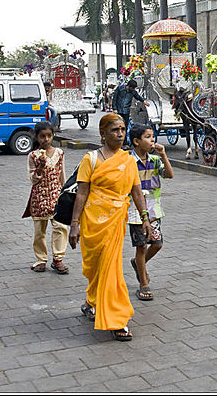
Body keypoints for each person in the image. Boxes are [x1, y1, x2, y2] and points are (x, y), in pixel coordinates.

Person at [68, 113, 152, 341]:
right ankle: (92, 302)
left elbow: (136, 191)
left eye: (123, 129)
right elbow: (82, 192)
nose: (120, 134)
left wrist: (145, 217)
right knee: (95, 268)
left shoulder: (128, 160)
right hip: (92, 221)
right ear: (103, 133)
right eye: (115, 129)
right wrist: (74, 224)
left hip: (116, 221)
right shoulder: (90, 159)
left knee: (111, 269)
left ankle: (117, 319)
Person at [126, 125, 174, 301]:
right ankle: (143, 283)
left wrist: (163, 155)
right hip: (135, 211)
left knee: (157, 244)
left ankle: (139, 264)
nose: (152, 140)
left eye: (153, 136)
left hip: (154, 210)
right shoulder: (128, 162)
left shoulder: (154, 160)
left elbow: (169, 175)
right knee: (141, 246)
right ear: (136, 141)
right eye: (148, 137)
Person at [24, 121, 69, 274]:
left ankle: (58, 258)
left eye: (49, 136)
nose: (46, 139)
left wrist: (64, 192)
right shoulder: (33, 156)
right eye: (42, 136)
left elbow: (62, 175)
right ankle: (41, 259)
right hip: (39, 197)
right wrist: (40, 167)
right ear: (37, 137)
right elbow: (33, 179)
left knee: (60, 227)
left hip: (56, 195)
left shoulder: (59, 153)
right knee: (39, 231)